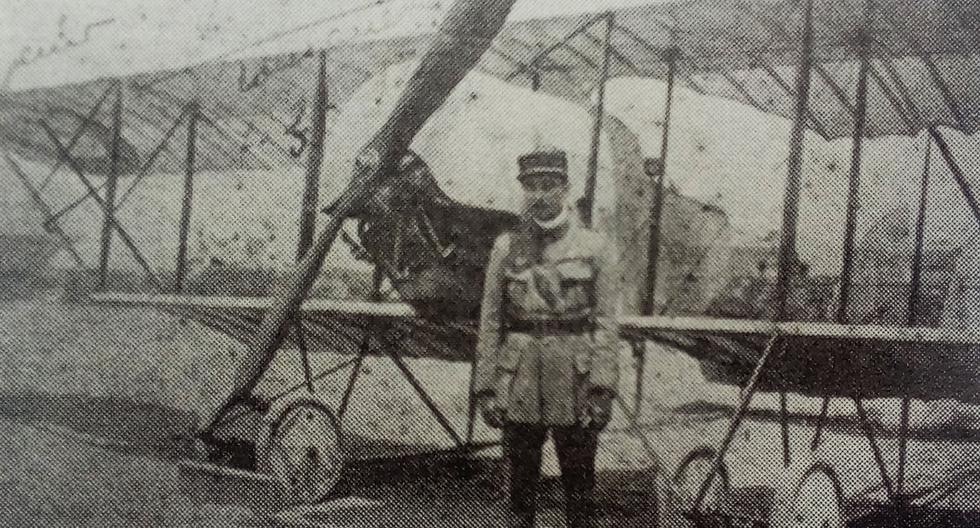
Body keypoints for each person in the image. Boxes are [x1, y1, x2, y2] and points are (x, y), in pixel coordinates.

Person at [473, 148, 621, 528]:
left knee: (579, 489)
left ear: (565, 188)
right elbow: (490, 320)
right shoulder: (506, 248)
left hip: (575, 380)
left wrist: (602, 388)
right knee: (519, 491)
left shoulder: (595, 248)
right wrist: (486, 387)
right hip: (519, 378)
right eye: (530, 187)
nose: (538, 195)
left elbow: (605, 323)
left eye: (548, 186)